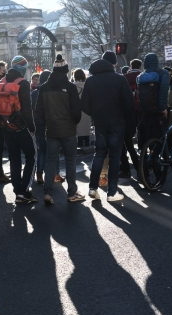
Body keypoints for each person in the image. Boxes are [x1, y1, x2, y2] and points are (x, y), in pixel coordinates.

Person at [81, 50, 135, 202]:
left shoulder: (90, 81)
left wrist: (95, 113)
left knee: (99, 153)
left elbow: (84, 105)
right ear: (113, 64)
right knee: (114, 156)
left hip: (99, 122)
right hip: (117, 121)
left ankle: (92, 187)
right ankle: (112, 192)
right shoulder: (119, 79)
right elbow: (129, 103)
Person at [35, 55, 85, 204]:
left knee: (51, 161)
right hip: (68, 130)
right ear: (65, 71)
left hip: (51, 130)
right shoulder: (70, 88)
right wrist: (73, 122)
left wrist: (48, 121)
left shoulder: (43, 88)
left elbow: (39, 112)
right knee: (70, 161)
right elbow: (76, 111)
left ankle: (47, 194)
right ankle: (71, 193)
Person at [0, 55, 38, 203]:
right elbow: (27, 109)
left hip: (6, 126)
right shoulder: (23, 83)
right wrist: (32, 126)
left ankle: (18, 192)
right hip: (21, 126)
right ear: (22, 68)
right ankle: (25, 189)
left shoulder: (1, 82)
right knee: (31, 156)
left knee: (14, 159)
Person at [31, 70, 62, 184]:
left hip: (38, 125)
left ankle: (39, 174)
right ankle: (55, 174)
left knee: (41, 151)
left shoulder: (34, 93)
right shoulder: (53, 92)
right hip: (51, 125)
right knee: (54, 150)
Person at [136, 53, 170, 150]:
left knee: (148, 137)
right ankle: (159, 160)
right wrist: (162, 108)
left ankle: (147, 159)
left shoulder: (140, 76)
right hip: (158, 111)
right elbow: (163, 92)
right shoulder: (163, 73)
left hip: (144, 112)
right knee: (160, 136)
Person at [120, 59, 141, 179]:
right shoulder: (141, 77)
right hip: (135, 115)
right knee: (130, 145)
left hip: (122, 118)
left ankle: (126, 170)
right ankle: (139, 169)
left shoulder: (124, 79)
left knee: (122, 145)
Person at [73, 69, 92, 148]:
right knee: (86, 127)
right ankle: (87, 142)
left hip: (77, 110)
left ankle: (80, 143)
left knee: (79, 128)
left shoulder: (72, 86)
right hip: (86, 110)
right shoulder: (88, 85)